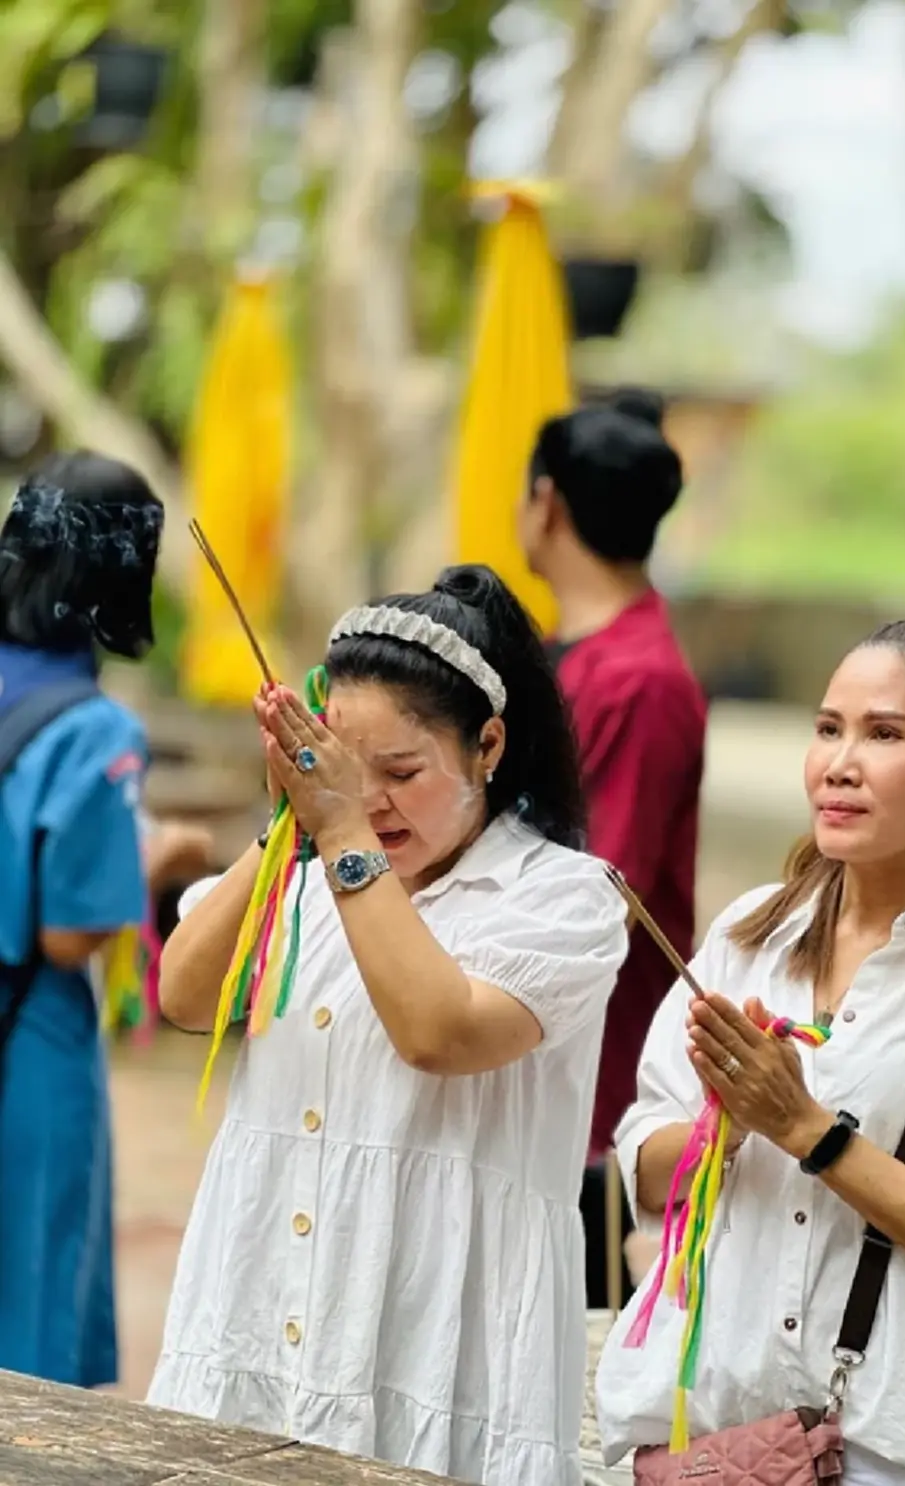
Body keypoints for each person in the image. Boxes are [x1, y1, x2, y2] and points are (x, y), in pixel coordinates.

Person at [148, 565, 628, 1486]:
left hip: (441, 1356)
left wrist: (340, 837)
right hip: (256, 1320)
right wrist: (292, 823)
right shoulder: (305, 864)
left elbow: (439, 1033)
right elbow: (183, 997)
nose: (370, 800)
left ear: (488, 745)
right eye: (345, 768)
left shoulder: (565, 899)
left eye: (401, 772)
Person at [595, 620, 905, 1486]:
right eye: (829, 728)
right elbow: (644, 1166)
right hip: (708, 1445)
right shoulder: (750, 937)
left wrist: (809, 1131)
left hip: (888, 1455)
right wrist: (732, 1120)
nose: (841, 761)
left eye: (885, 734)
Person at [522, 390, 707, 1308]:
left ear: (545, 504)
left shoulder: (641, 679)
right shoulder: (574, 655)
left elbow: (603, 882)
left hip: (596, 1068)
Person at [0, 451, 165, 1387]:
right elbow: (71, 931)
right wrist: (163, 855)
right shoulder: (95, 732)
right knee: (31, 1310)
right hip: (31, 1033)